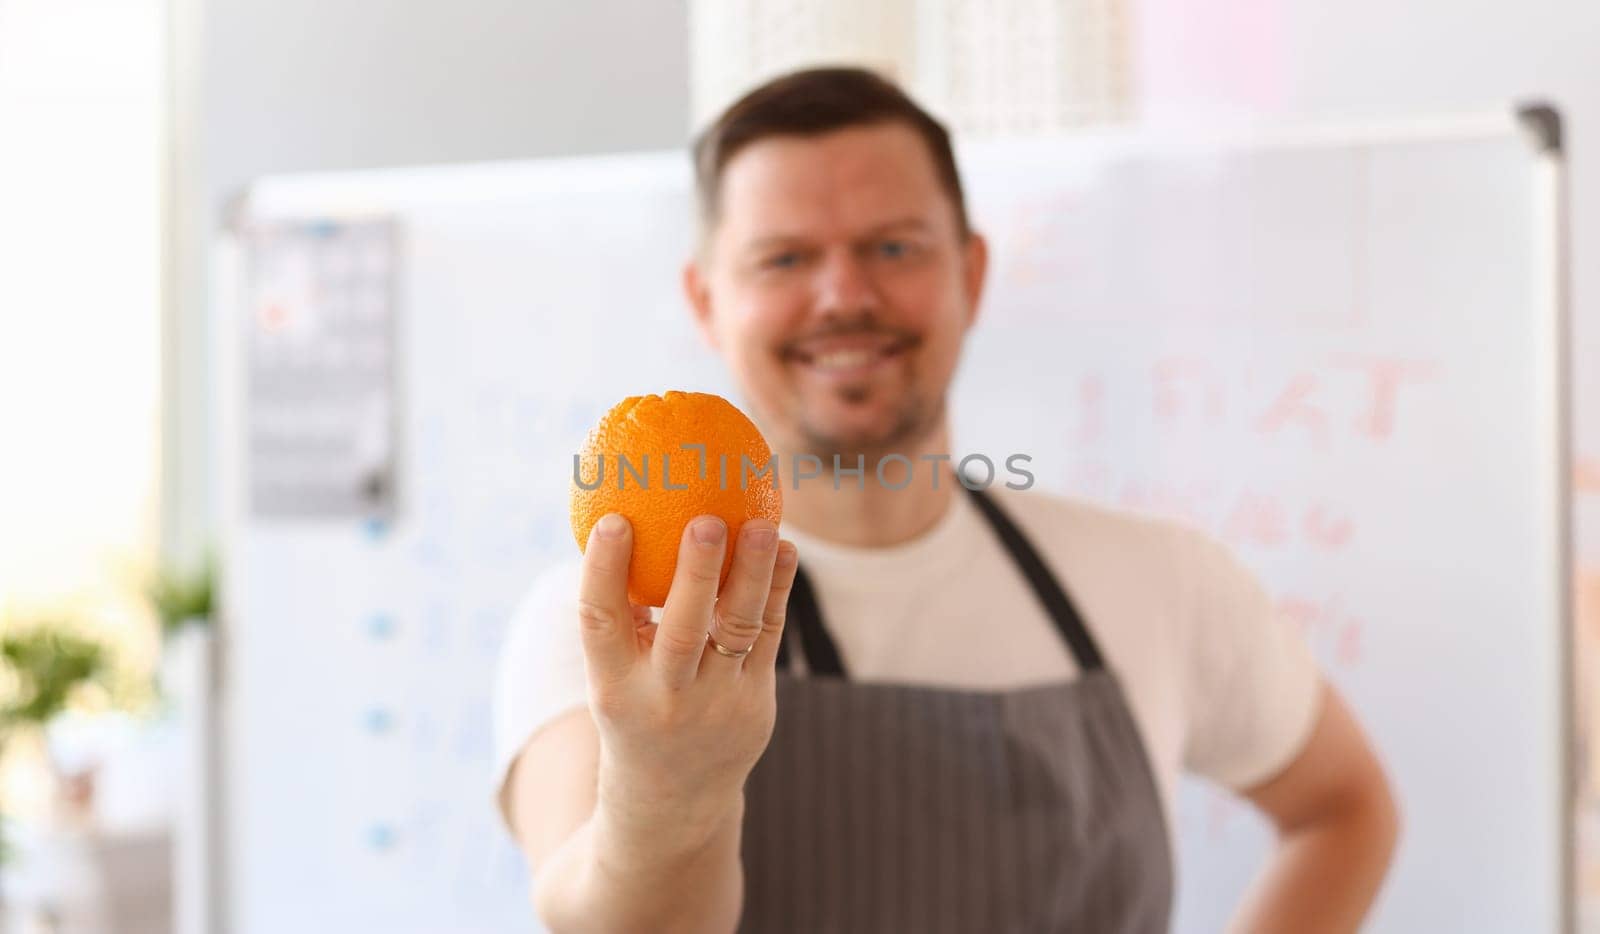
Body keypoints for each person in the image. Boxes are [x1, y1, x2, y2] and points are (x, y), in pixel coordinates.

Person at [492, 67, 1399, 933]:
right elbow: (613, 919)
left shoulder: (1162, 579)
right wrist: (666, 790)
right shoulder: (621, 627)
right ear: (707, 302)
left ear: (971, 273)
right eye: (783, 259)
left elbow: (1345, 807)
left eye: (894, 247)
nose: (844, 295)